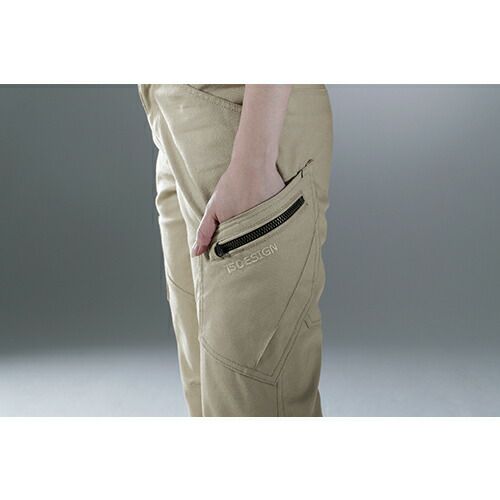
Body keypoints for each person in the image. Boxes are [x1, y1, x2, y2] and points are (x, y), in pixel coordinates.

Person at [138, 84, 332, 416]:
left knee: (251, 403)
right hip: (175, 116)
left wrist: (254, 161)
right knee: (206, 395)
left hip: (245, 121)